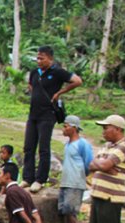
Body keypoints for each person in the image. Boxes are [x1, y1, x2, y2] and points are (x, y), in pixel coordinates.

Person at [23, 46, 82, 193]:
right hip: (33, 114)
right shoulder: (34, 72)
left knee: (44, 148)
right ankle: (27, 178)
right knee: (29, 147)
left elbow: (77, 81)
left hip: (47, 115)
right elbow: (30, 85)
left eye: (42, 58)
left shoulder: (58, 72)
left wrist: (60, 92)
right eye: (37, 58)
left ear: (50, 59)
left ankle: (40, 179)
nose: (39, 61)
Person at [59, 115, 93, 223]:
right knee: (64, 211)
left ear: (73, 128)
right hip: (66, 182)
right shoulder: (67, 145)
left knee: (71, 211)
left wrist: (82, 176)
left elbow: (89, 163)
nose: (63, 129)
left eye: (65, 126)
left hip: (75, 182)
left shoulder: (83, 144)